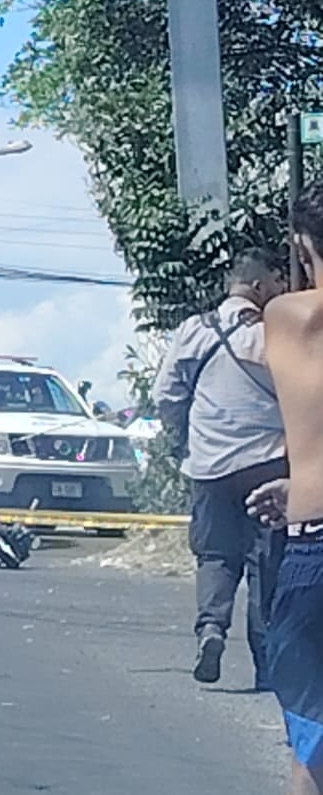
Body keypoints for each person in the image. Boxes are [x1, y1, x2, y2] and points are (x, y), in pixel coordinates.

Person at [153, 247, 289, 687]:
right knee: (266, 562)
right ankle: (266, 662)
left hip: (209, 464)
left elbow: (166, 395)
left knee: (215, 556)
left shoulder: (193, 331)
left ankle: (210, 629)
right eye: (277, 280)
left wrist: (185, 436)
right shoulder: (273, 335)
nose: (283, 289)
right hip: (266, 463)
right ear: (258, 286)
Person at [248, 183, 323, 794]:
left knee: (310, 752)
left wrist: (298, 482)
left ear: (302, 244)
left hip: (313, 548)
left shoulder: (285, 318)